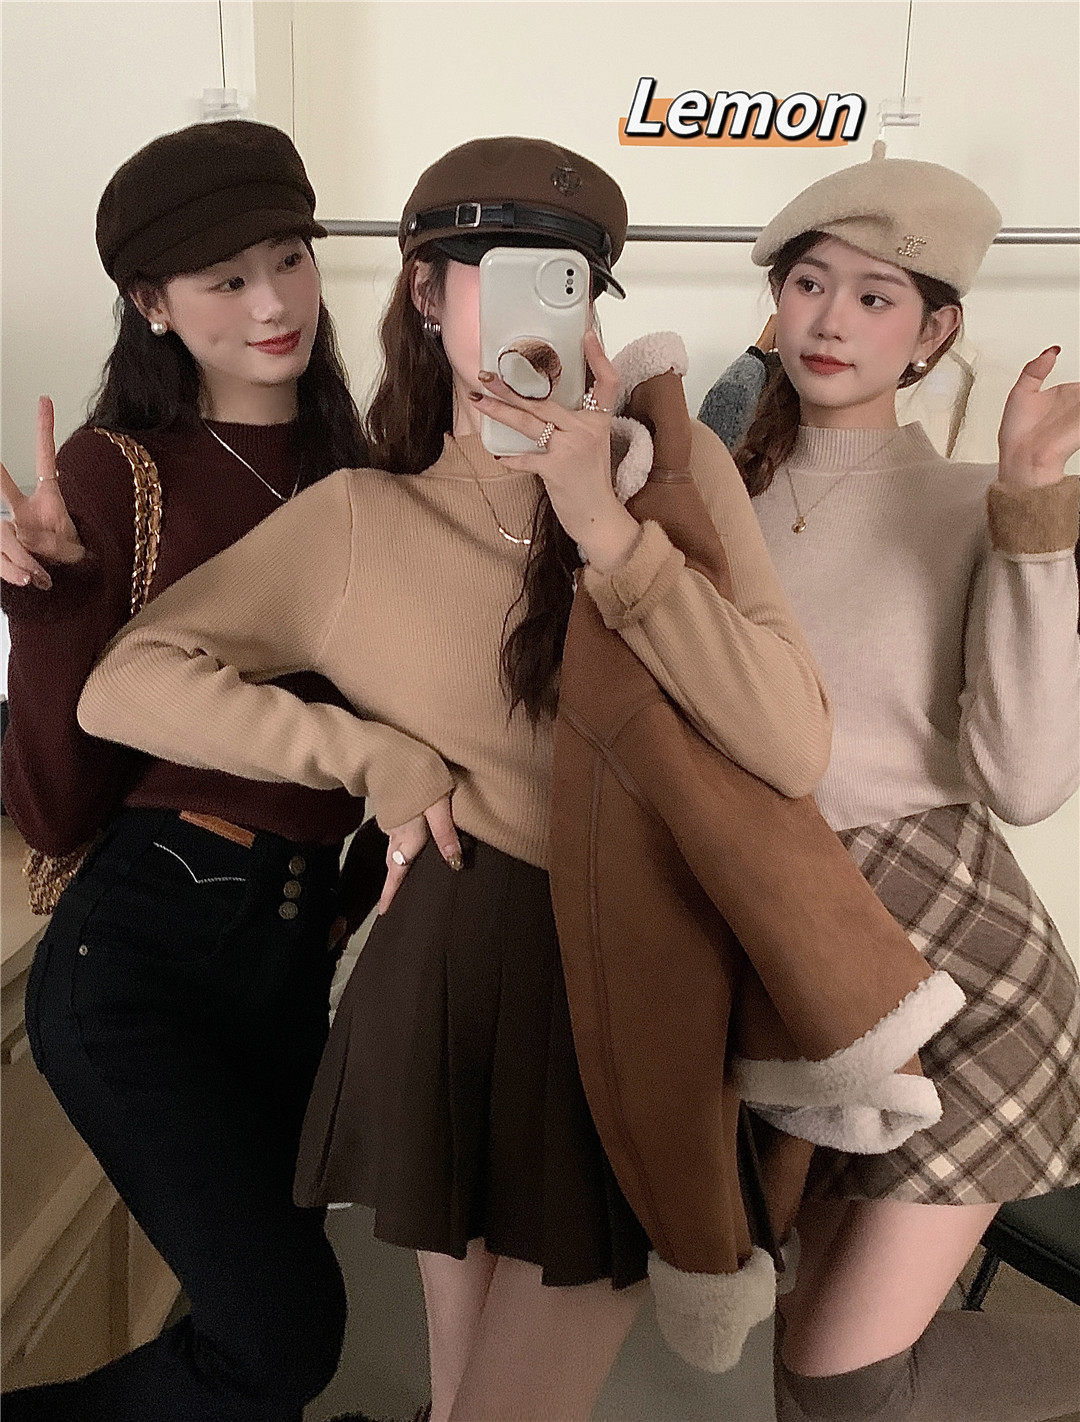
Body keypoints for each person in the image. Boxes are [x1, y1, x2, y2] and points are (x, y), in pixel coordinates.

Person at [75, 135, 835, 1422]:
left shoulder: (674, 479)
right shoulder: (361, 521)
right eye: (502, 270)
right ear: (426, 292)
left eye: (570, 277)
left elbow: (790, 743)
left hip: (627, 987)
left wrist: (604, 525)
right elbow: (125, 683)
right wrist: (367, 753)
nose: (542, 304)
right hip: (457, 973)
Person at [0, 119, 387, 1421]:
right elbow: (53, 805)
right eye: (227, 278)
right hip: (143, 955)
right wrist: (51, 612)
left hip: (292, 955)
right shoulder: (116, 473)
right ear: (152, 303)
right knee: (283, 1338)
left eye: (290, 259)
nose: (274, 303)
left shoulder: (360, 469)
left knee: (259, 1340)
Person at [714, 141, 1080, 1421]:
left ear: (935, 334)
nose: (831, 320)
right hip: (796, 972)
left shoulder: (978, 503)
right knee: (797, 1375)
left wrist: (1032, 508)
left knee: (841, 1385)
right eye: (810, 283)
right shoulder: (703, 497)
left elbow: (1025, 781)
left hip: (961, 972)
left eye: (877, 297)